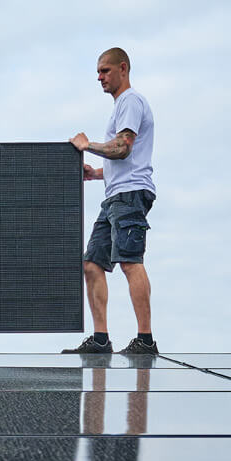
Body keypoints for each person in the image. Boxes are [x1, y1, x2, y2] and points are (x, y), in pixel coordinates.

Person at [66, 48, 158, 356]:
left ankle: (145, 340)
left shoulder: (131, 101)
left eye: (105, 71)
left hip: (131, 195)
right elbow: (121, 160)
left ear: (123, 69)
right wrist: (94, 174)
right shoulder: (120, 106)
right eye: (98, 72)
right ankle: (101, 339)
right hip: (115, 195)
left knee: (130, 262)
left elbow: (123, 148)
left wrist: (87, 145)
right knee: (92, 263)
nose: (99, 77)